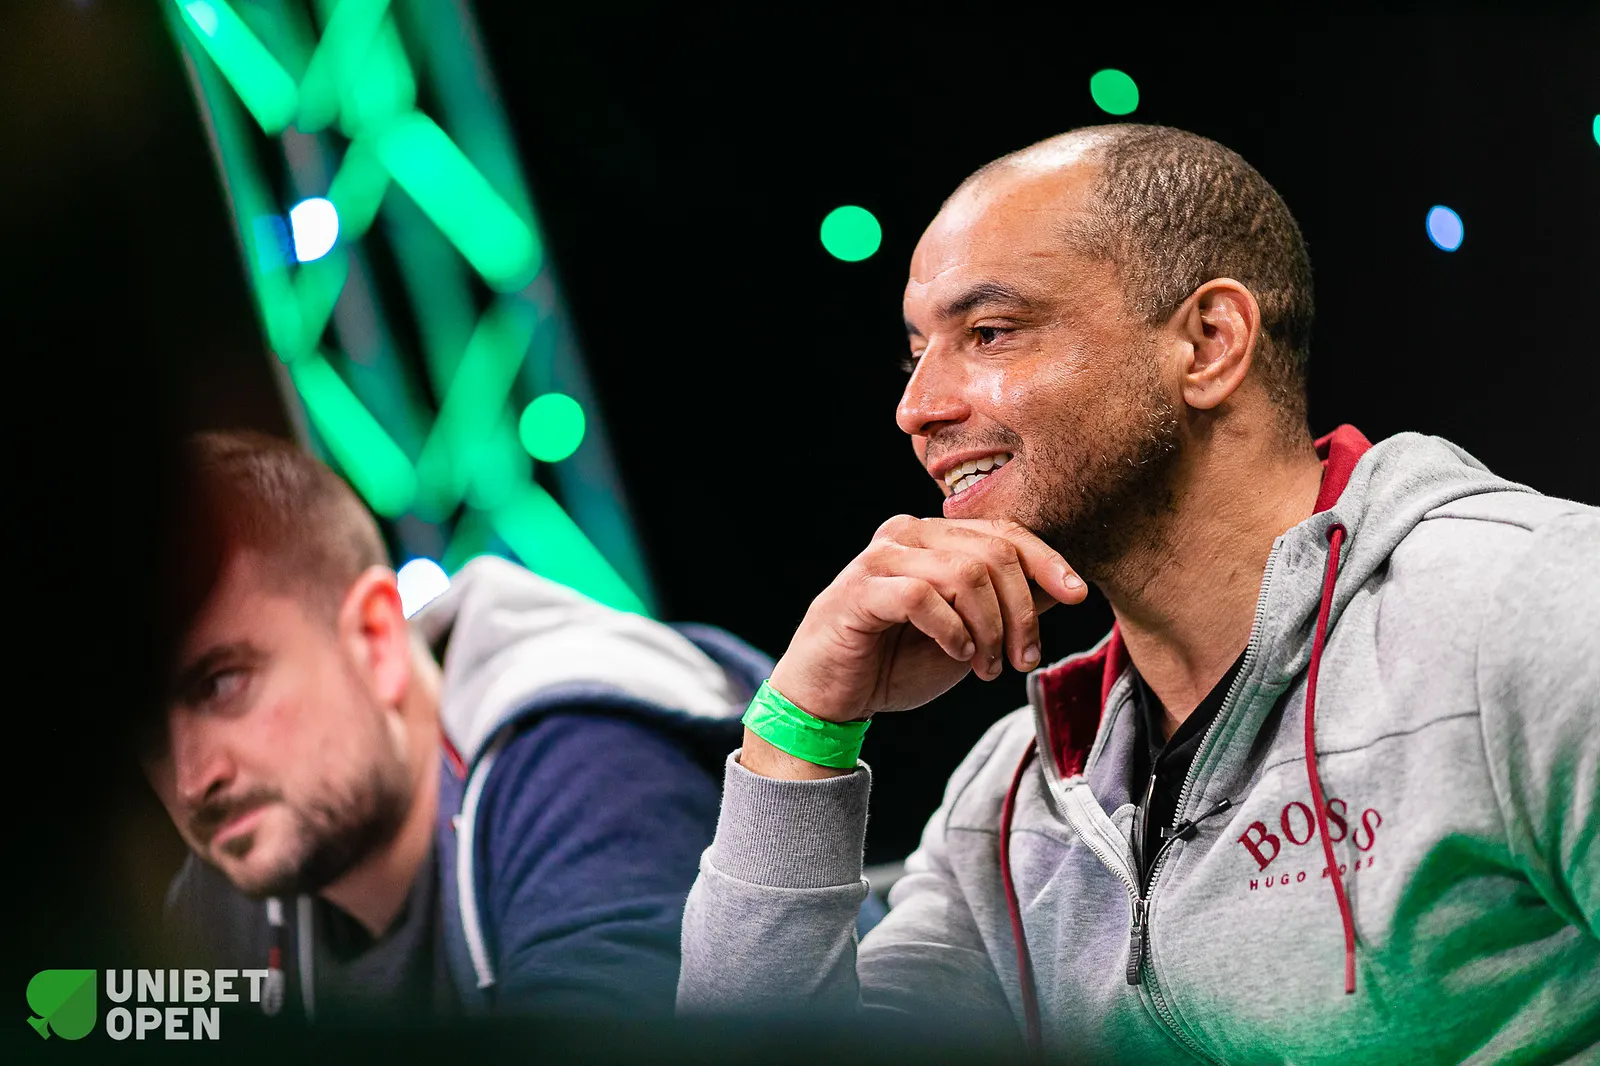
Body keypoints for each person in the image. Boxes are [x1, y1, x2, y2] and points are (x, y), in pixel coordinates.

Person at [678, 124, 1599, 1061]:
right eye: (916, 356)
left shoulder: (1531, 610)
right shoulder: (1013, 799)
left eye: (989, 333)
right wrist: (802, 728)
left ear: (1208, 343)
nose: (917, 409)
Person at [147, 430, 773, 1023]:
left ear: (375, 640)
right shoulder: (222, 898)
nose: (192, 782)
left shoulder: (586, 768)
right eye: (144, 732)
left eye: (221, 684)